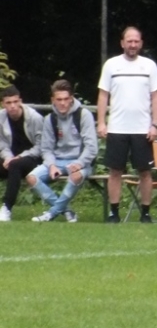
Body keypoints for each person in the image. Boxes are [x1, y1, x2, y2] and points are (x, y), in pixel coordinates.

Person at [96, 26, 157, 223]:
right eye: (129, 41)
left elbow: (156, 97)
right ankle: (114, 213)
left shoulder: (149, 66)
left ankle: (146, 213)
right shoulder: (111, 65)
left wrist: (155, 125)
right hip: (117, 128)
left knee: (145, 172)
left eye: (136, 41)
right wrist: (101, 122)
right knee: (115, 172)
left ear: (141, 44)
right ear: (122, 43)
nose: (132, 45)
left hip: (143, 129)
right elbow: (103, 95)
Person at [26, 80, 99, 222]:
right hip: (58, 161)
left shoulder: (83, 115)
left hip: (81, 161)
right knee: (32, 177)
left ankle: (51, 213)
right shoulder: (50, 119)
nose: (63, 103)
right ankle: (67, 211)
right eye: (59, 100)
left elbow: (91, 147)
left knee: (76, 176)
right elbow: (46, 149)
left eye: (66, 99)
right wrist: (51, 165)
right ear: (53, 100)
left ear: (71, 98)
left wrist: (79, 163)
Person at [0, 85, 44, 221]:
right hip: (11, 159)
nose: (12, 106)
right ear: (3, 104)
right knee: (13, 165)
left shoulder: (34, 118)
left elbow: (41, 146)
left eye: (15, 102)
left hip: (33, 158)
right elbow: (2, 144)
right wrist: (8, 157)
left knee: (15, 165)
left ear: (20, 101)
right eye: (8, 103)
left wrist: (19, 157)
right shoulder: (1, 118)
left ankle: (7, 208)